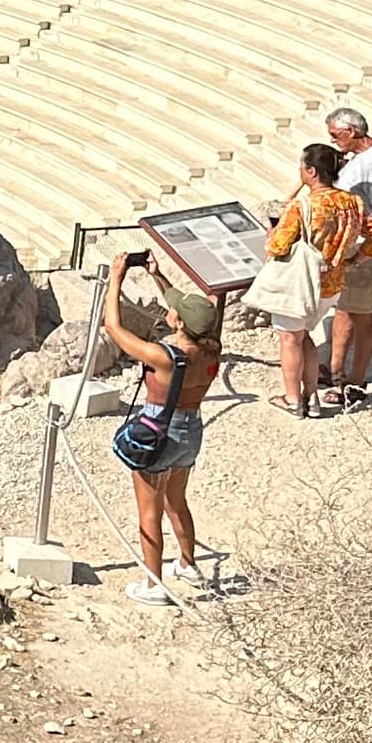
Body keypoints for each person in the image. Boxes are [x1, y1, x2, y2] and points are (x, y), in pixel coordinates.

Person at [100, 249, 225, 604]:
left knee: (149, 512)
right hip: (191, 430)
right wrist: (158, 276)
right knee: (177, 501)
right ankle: (187, 564)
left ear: (179, 324)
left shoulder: (165, 358)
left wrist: (116, 280)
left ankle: (153, 585)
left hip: (159, 431)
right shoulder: (212, 349)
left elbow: (114, 328)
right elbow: (188, 313)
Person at [262, 142, 372, 417]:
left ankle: (293, 399)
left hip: (301, 282)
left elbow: (278, 247)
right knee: (303, 334)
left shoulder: (303, 205)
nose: (300, 172)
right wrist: (355, 259)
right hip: (331, 284)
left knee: (289, 339)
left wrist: (271, 235)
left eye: (301, 167)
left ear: (311, 171)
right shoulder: (352, 202)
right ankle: (312, 400)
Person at [323, 107, 372, 403]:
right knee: (346, 309)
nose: (333, 142)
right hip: (352, 246)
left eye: (335, 135)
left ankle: (354, 383)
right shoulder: (368, 157)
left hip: (363, 248)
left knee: (362, 314)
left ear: (351, 132)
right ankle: (336, 370)